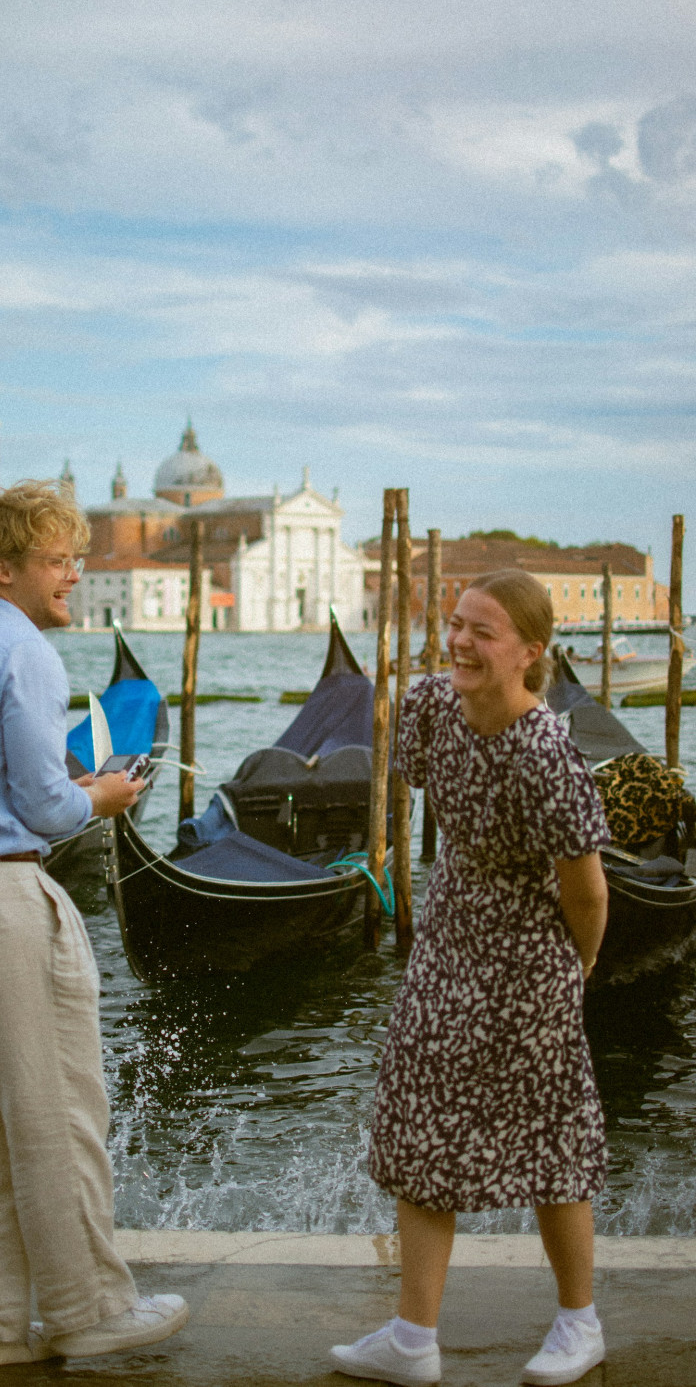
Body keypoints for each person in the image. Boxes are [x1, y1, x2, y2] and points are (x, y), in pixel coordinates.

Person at [0, 480, 188, 1377]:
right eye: (59, 561)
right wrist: (102, 795)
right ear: (6, 567)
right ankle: (89, 1310)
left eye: (78, 559)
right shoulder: (24, 655)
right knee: (56, 1110)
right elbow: (47, 808)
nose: (74, 576)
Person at [330, 570, 610, 1387]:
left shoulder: (549, 752)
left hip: (529, 968)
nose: (459, 642)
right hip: (446, 956)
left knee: (551, 1141)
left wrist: (578, 966)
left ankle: (579, 1322)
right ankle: (413, 1340)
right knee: (421, 1133)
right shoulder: (427, 706)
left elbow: (586, 889)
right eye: (455, 625)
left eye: (482, 633)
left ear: (530, 652)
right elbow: (412, 796)